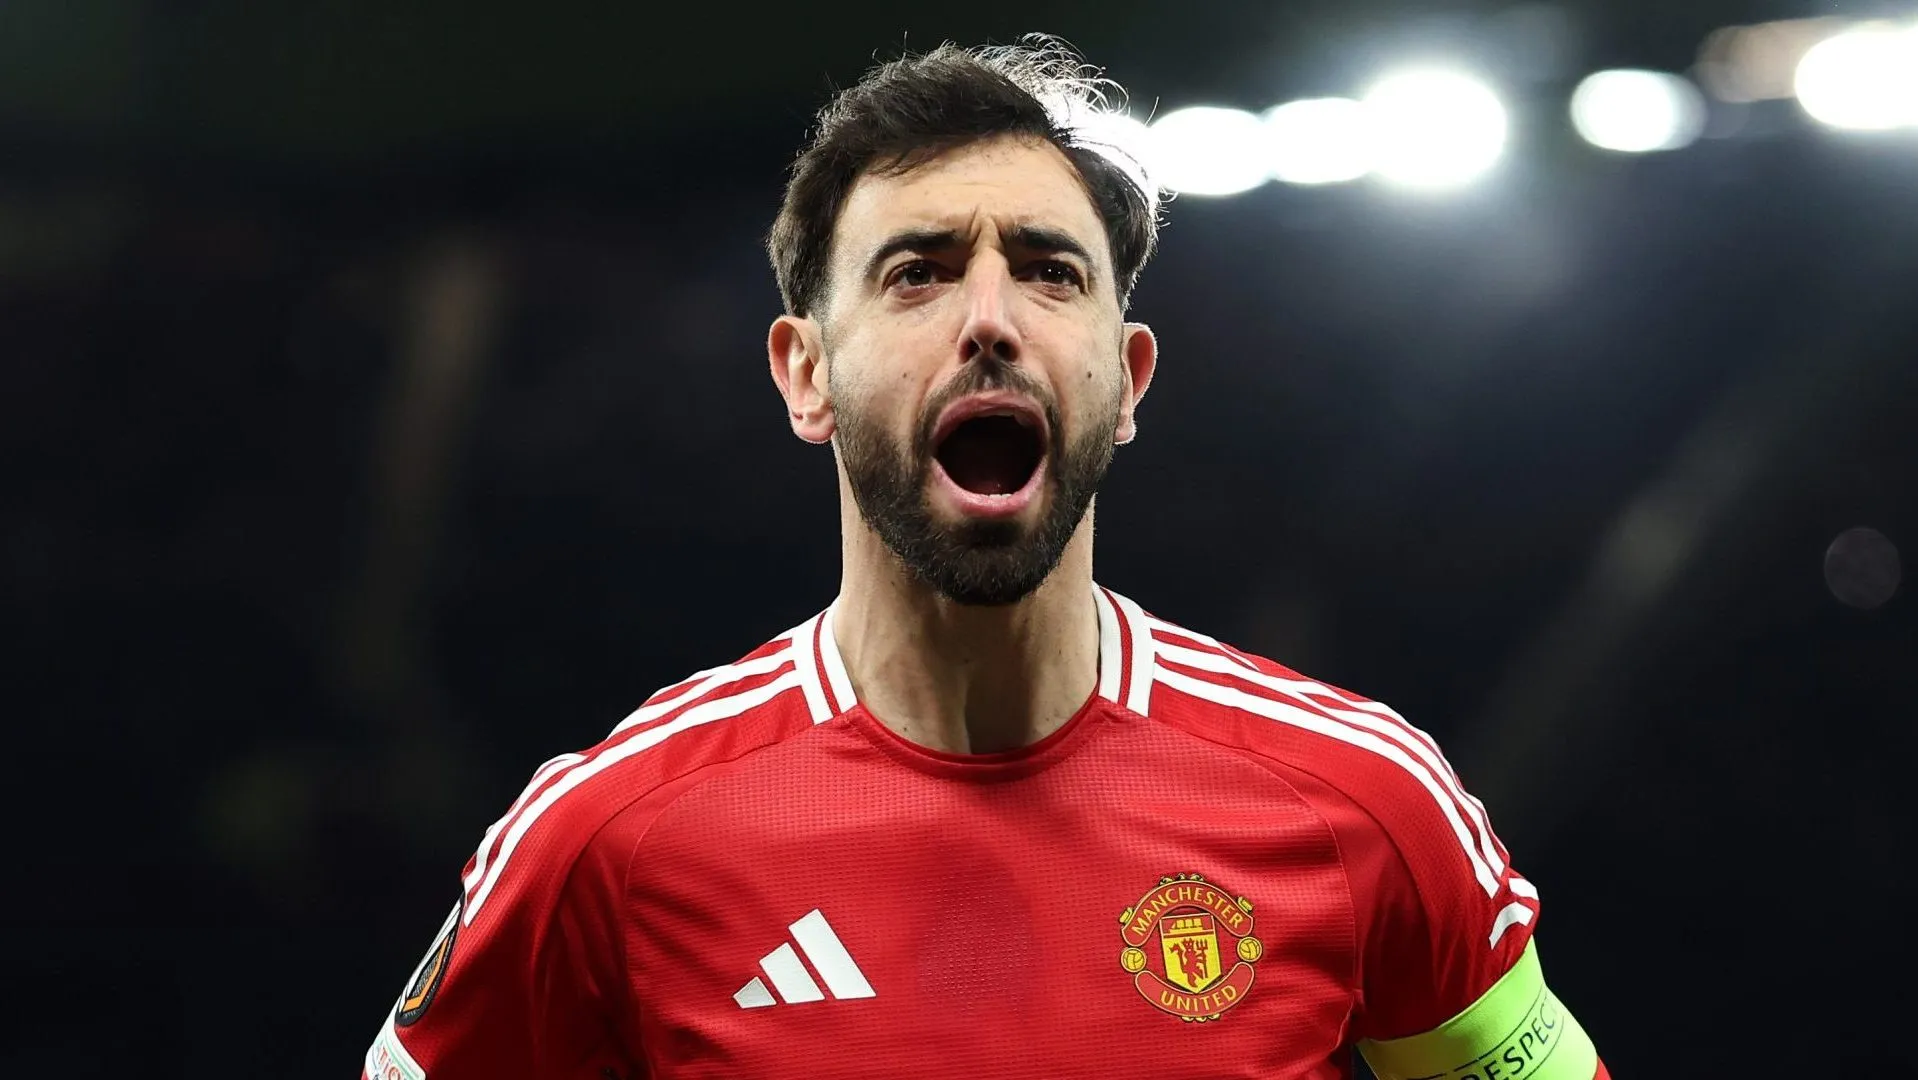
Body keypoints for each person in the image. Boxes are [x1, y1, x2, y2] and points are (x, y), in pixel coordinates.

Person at [361, 37, 1608, 1080]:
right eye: (919, 273)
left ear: (1126, 380)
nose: (992, 321)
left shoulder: (1364, 803)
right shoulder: (612, 838)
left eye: (1050, 272)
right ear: (807, 374)